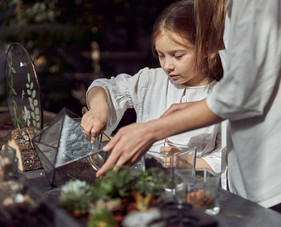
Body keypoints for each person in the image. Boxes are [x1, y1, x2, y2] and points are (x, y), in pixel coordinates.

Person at [97, 0, 281, 226]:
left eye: (178, 55)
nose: (168, 65)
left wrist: (149, 131)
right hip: (265, 179)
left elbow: (244, 90)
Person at [81, 0, 226, 173]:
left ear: (206, 48)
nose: (167, 66)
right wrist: (99, 109)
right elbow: (104, 87)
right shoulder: (150, 80)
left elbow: (224, 158)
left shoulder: (221, 96)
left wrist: (191, 161)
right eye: (161, 55)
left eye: (177, 56)